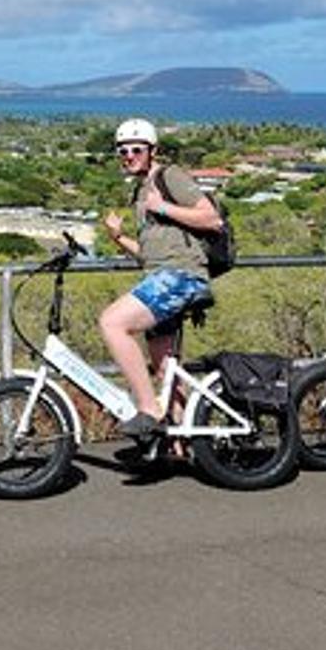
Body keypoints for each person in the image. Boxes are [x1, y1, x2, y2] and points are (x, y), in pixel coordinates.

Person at [97, 117, 222, 441]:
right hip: (160, 275)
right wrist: (118, 238)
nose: (128, 156)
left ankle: (149, 409)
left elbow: (211, 218)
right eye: (122, 151)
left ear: (153, 151)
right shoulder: (141, 192)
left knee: (112, 323)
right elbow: (150, 254)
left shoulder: (169, 177)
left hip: (180, 277)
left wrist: (162, 207)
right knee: (167, 370)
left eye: (136, 149)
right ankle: (179, 443)